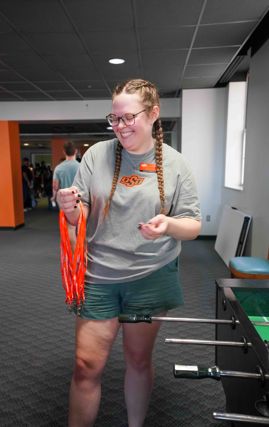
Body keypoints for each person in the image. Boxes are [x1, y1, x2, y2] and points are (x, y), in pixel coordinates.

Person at [57, 79, 202, 427]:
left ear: (153, 114)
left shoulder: (176, 164)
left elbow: (193, 225)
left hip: (151, 276)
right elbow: (81, 213)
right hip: (99, 275)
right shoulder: (96, 155)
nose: (120, 127)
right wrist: (69, 208)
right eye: (114, 118)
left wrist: (167, 225)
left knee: (138, 360)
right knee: (85, 365)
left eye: (128, 117)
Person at [52, 141, 80, 250]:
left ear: (64, 152)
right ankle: (83, 252)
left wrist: (53, 197)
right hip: (80, 200)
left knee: (70, 228)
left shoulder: (59, 168)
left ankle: (74, 253)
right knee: (83, 226)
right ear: (76, 151)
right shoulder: (81, 166)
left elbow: (55, 186)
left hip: (65, 201)